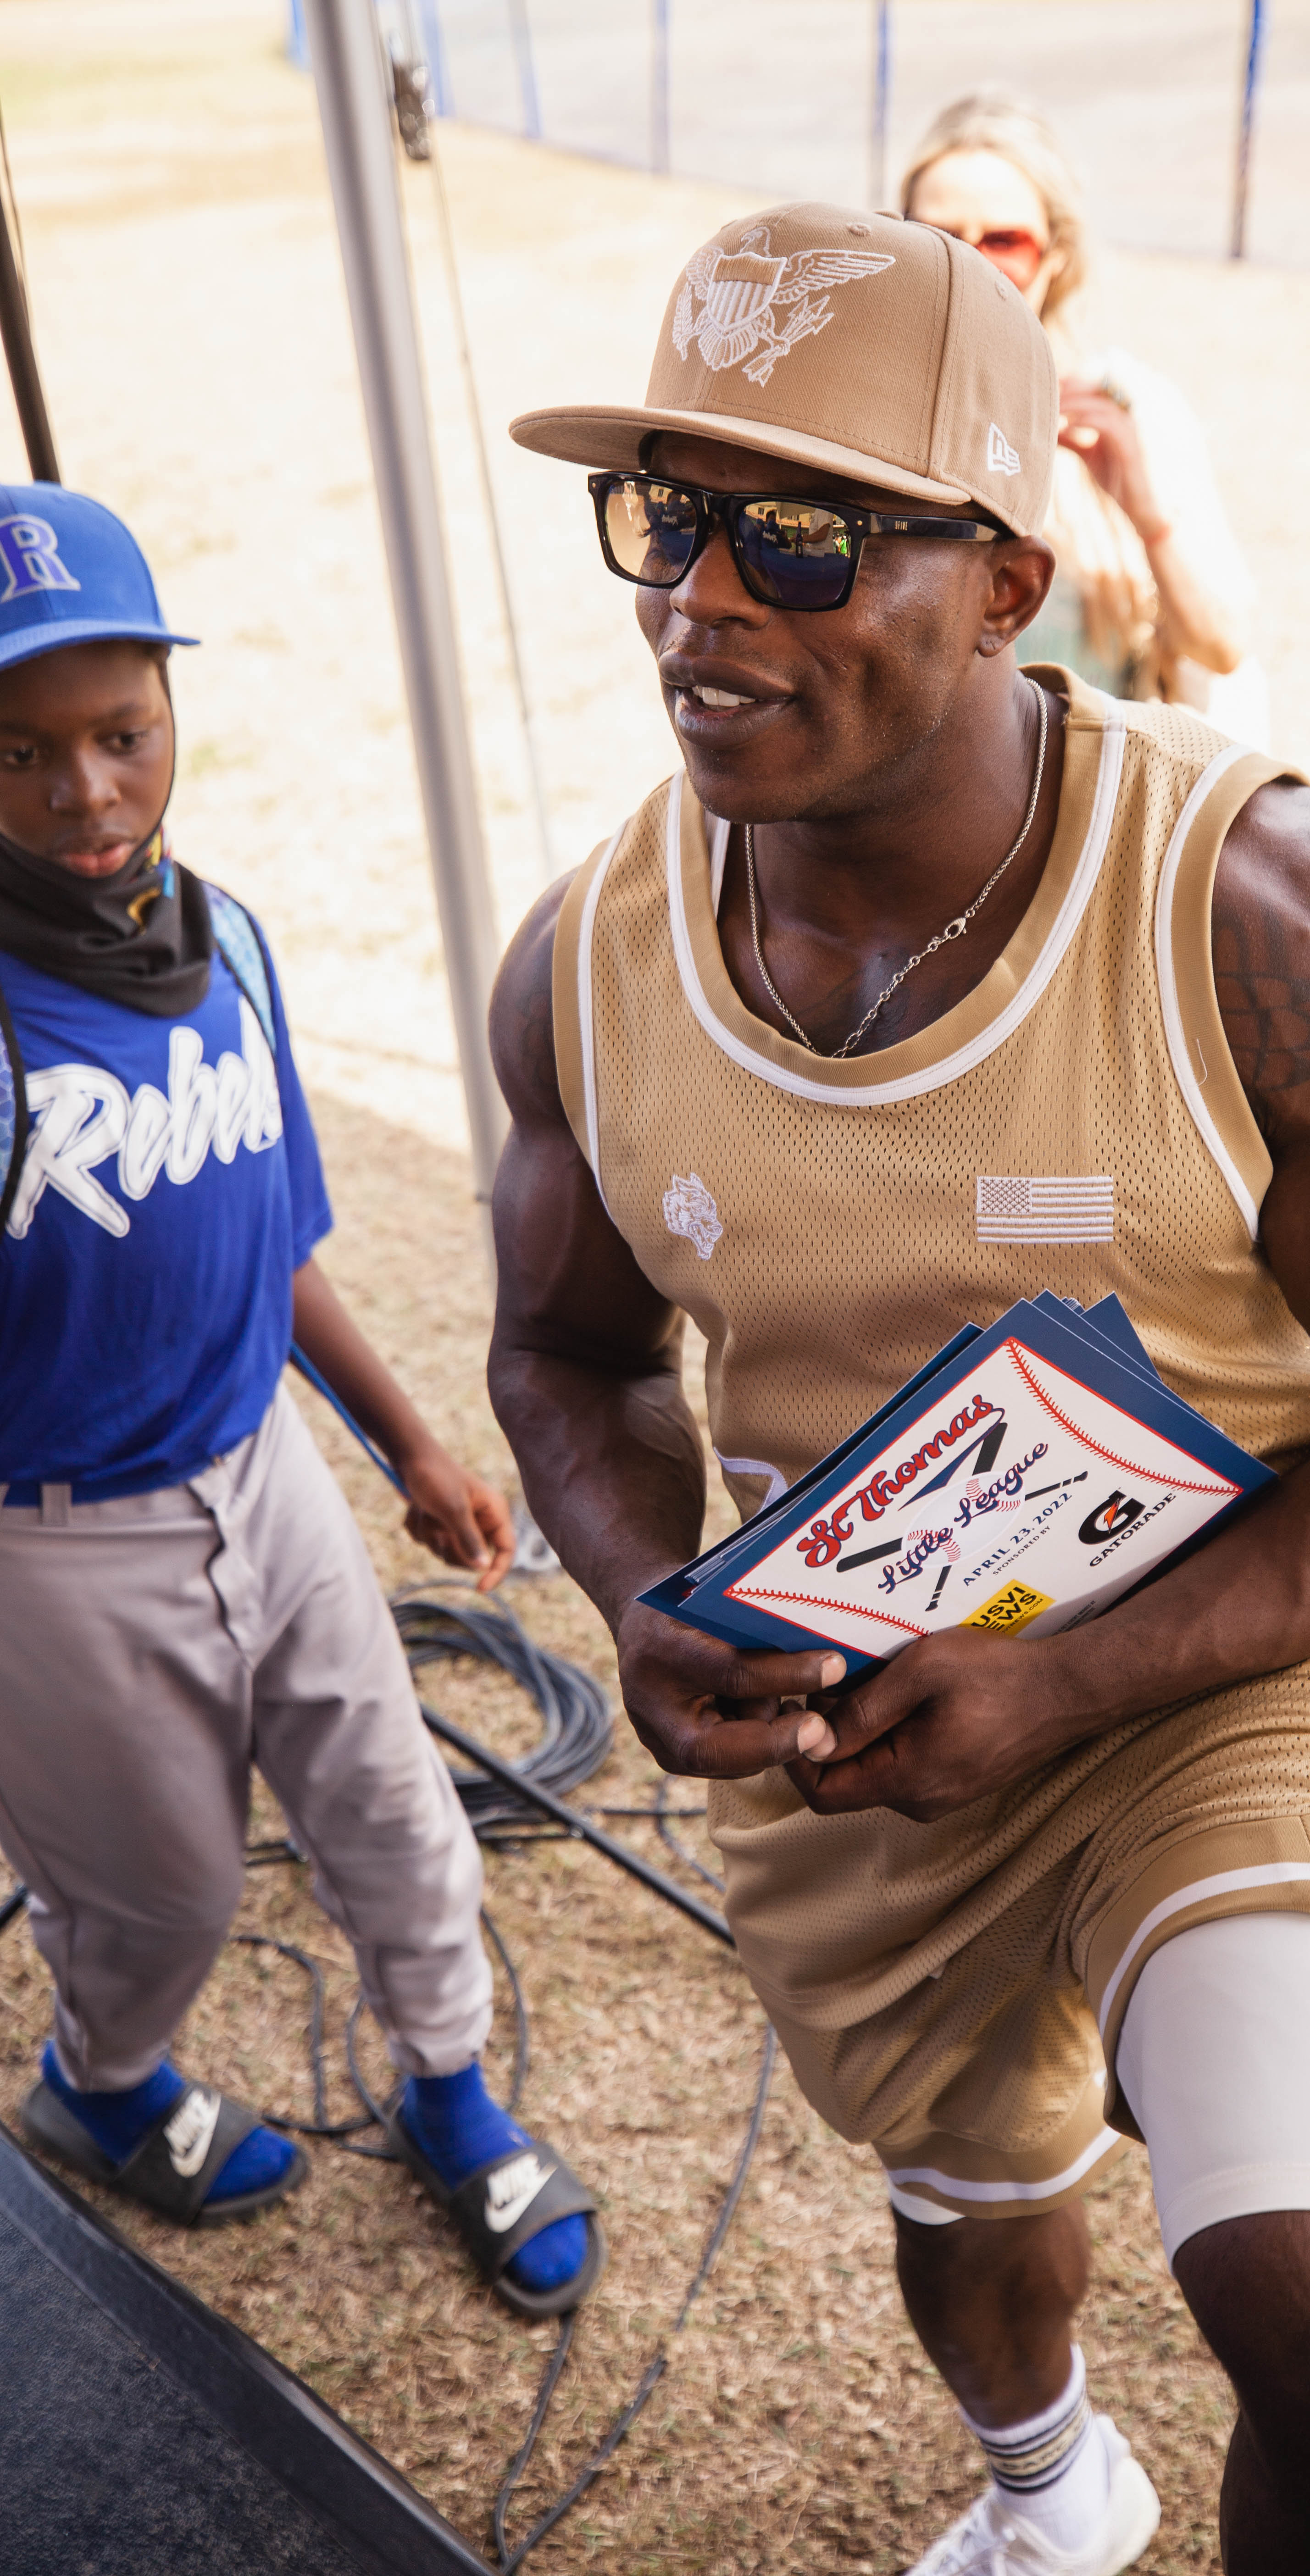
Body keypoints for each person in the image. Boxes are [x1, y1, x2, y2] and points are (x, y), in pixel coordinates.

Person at [493, 201, 1310, 2573]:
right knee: (974, 2210)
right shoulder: (582, 962)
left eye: (797, 533)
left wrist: (1080, 1674)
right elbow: (561, 1357)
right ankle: (1044, 2492)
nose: (702, 600)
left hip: (1232, 1673)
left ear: (1005, 578)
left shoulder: (1288, 929)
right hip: (851, 1734)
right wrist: (639, 1593)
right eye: (665, 519)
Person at [0, 486, 603, 2319]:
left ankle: (453, 2094)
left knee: (393, 1805)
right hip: (61, 1548)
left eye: (123, 735)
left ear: (174, 714)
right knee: (165, 1897)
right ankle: (103, 2086)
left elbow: (269, 1246)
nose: (91, 795)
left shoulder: (230, 943)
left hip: (260, 1471)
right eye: (19, 754)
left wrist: (410, 1439)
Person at [903, 91, 1269, 748]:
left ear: (1058, 256)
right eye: (940, 238)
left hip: (1094, 798)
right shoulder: (867, 408)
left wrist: (1148, 516)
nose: (970, 265)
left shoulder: (1124, 409)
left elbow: (1222, 648)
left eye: (1005, 241)